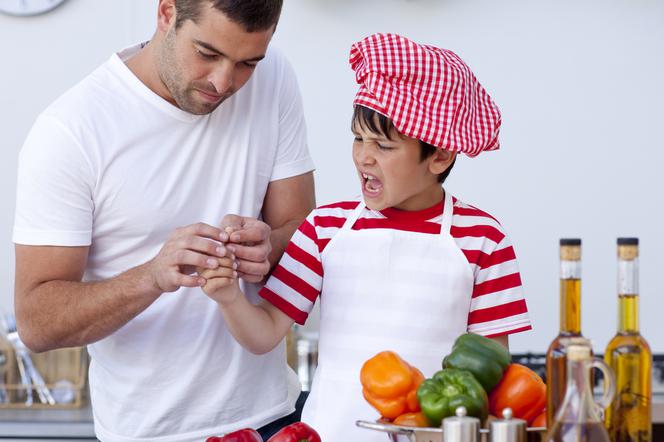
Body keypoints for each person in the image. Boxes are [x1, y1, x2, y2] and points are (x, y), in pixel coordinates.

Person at [199, 33, 533, 441]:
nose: (364, 157)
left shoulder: (483, 239)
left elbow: (493, 372)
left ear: (440, 156)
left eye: (384, 145)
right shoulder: (325, 227)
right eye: (359, 138)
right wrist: (229, 297)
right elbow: (265, 334)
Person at [12, 1, 315, 441]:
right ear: (167, 13)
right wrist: (152, 276)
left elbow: (301, 227)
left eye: (247, 62)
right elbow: (37, 322)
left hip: (273, 419)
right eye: (207, 53)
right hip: (150, 433)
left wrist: (269, 247)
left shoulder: (274, 76)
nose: (224, 82)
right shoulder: (71, 131)